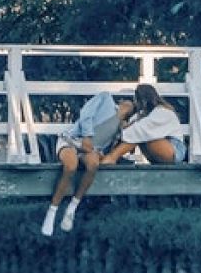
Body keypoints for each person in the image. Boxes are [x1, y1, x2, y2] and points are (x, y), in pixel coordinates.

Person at [42, 91, 134, 236]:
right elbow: (86, 113)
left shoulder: (121, 128)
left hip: (91, 150)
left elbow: (112, 147)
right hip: (73, 139)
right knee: (70, 166)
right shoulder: (106, 99)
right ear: (122, 102)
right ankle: (52, 211)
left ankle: (72, 208)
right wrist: (87, 136)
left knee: (93, 165)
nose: (129, 105)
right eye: (128, 102)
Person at [101, 83, 186, 165]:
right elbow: (129, 131)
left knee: (139, 132)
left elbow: (138, 130)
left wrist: (125, 130)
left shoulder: (163, 112)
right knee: (137, 133)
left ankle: (112, 157)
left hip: (175, 150)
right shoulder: (142, 115)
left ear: (142, 100)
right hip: (158, 151)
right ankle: (110, 156)